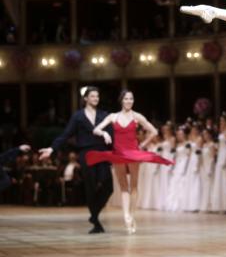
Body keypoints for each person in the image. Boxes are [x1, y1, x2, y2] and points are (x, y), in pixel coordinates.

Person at [86, 90, 172, 234]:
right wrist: (105, 133)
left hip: (133, 154)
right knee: (123, 187)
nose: (129, 101)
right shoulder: (113, 117)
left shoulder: (136, 116)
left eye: (131, 99)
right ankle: (126, 216)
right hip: (119, 154)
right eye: (126, 99)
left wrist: (143, 145)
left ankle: (131, 215)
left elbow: (154, 131)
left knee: (134, 186)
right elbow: (96, 129)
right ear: (121, 100)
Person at [39, 87, 113, 234]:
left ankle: (94, 213)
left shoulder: (104, 115)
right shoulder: (78, 116)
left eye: (97, 96)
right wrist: (52, 149)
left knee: (108, 186)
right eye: (92, 96)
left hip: (103, 153)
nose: (96, 98)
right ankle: (96, 220)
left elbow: (112, 134)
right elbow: (65, 134)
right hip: (86, 153)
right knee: (91, 187)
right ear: (85, 98)